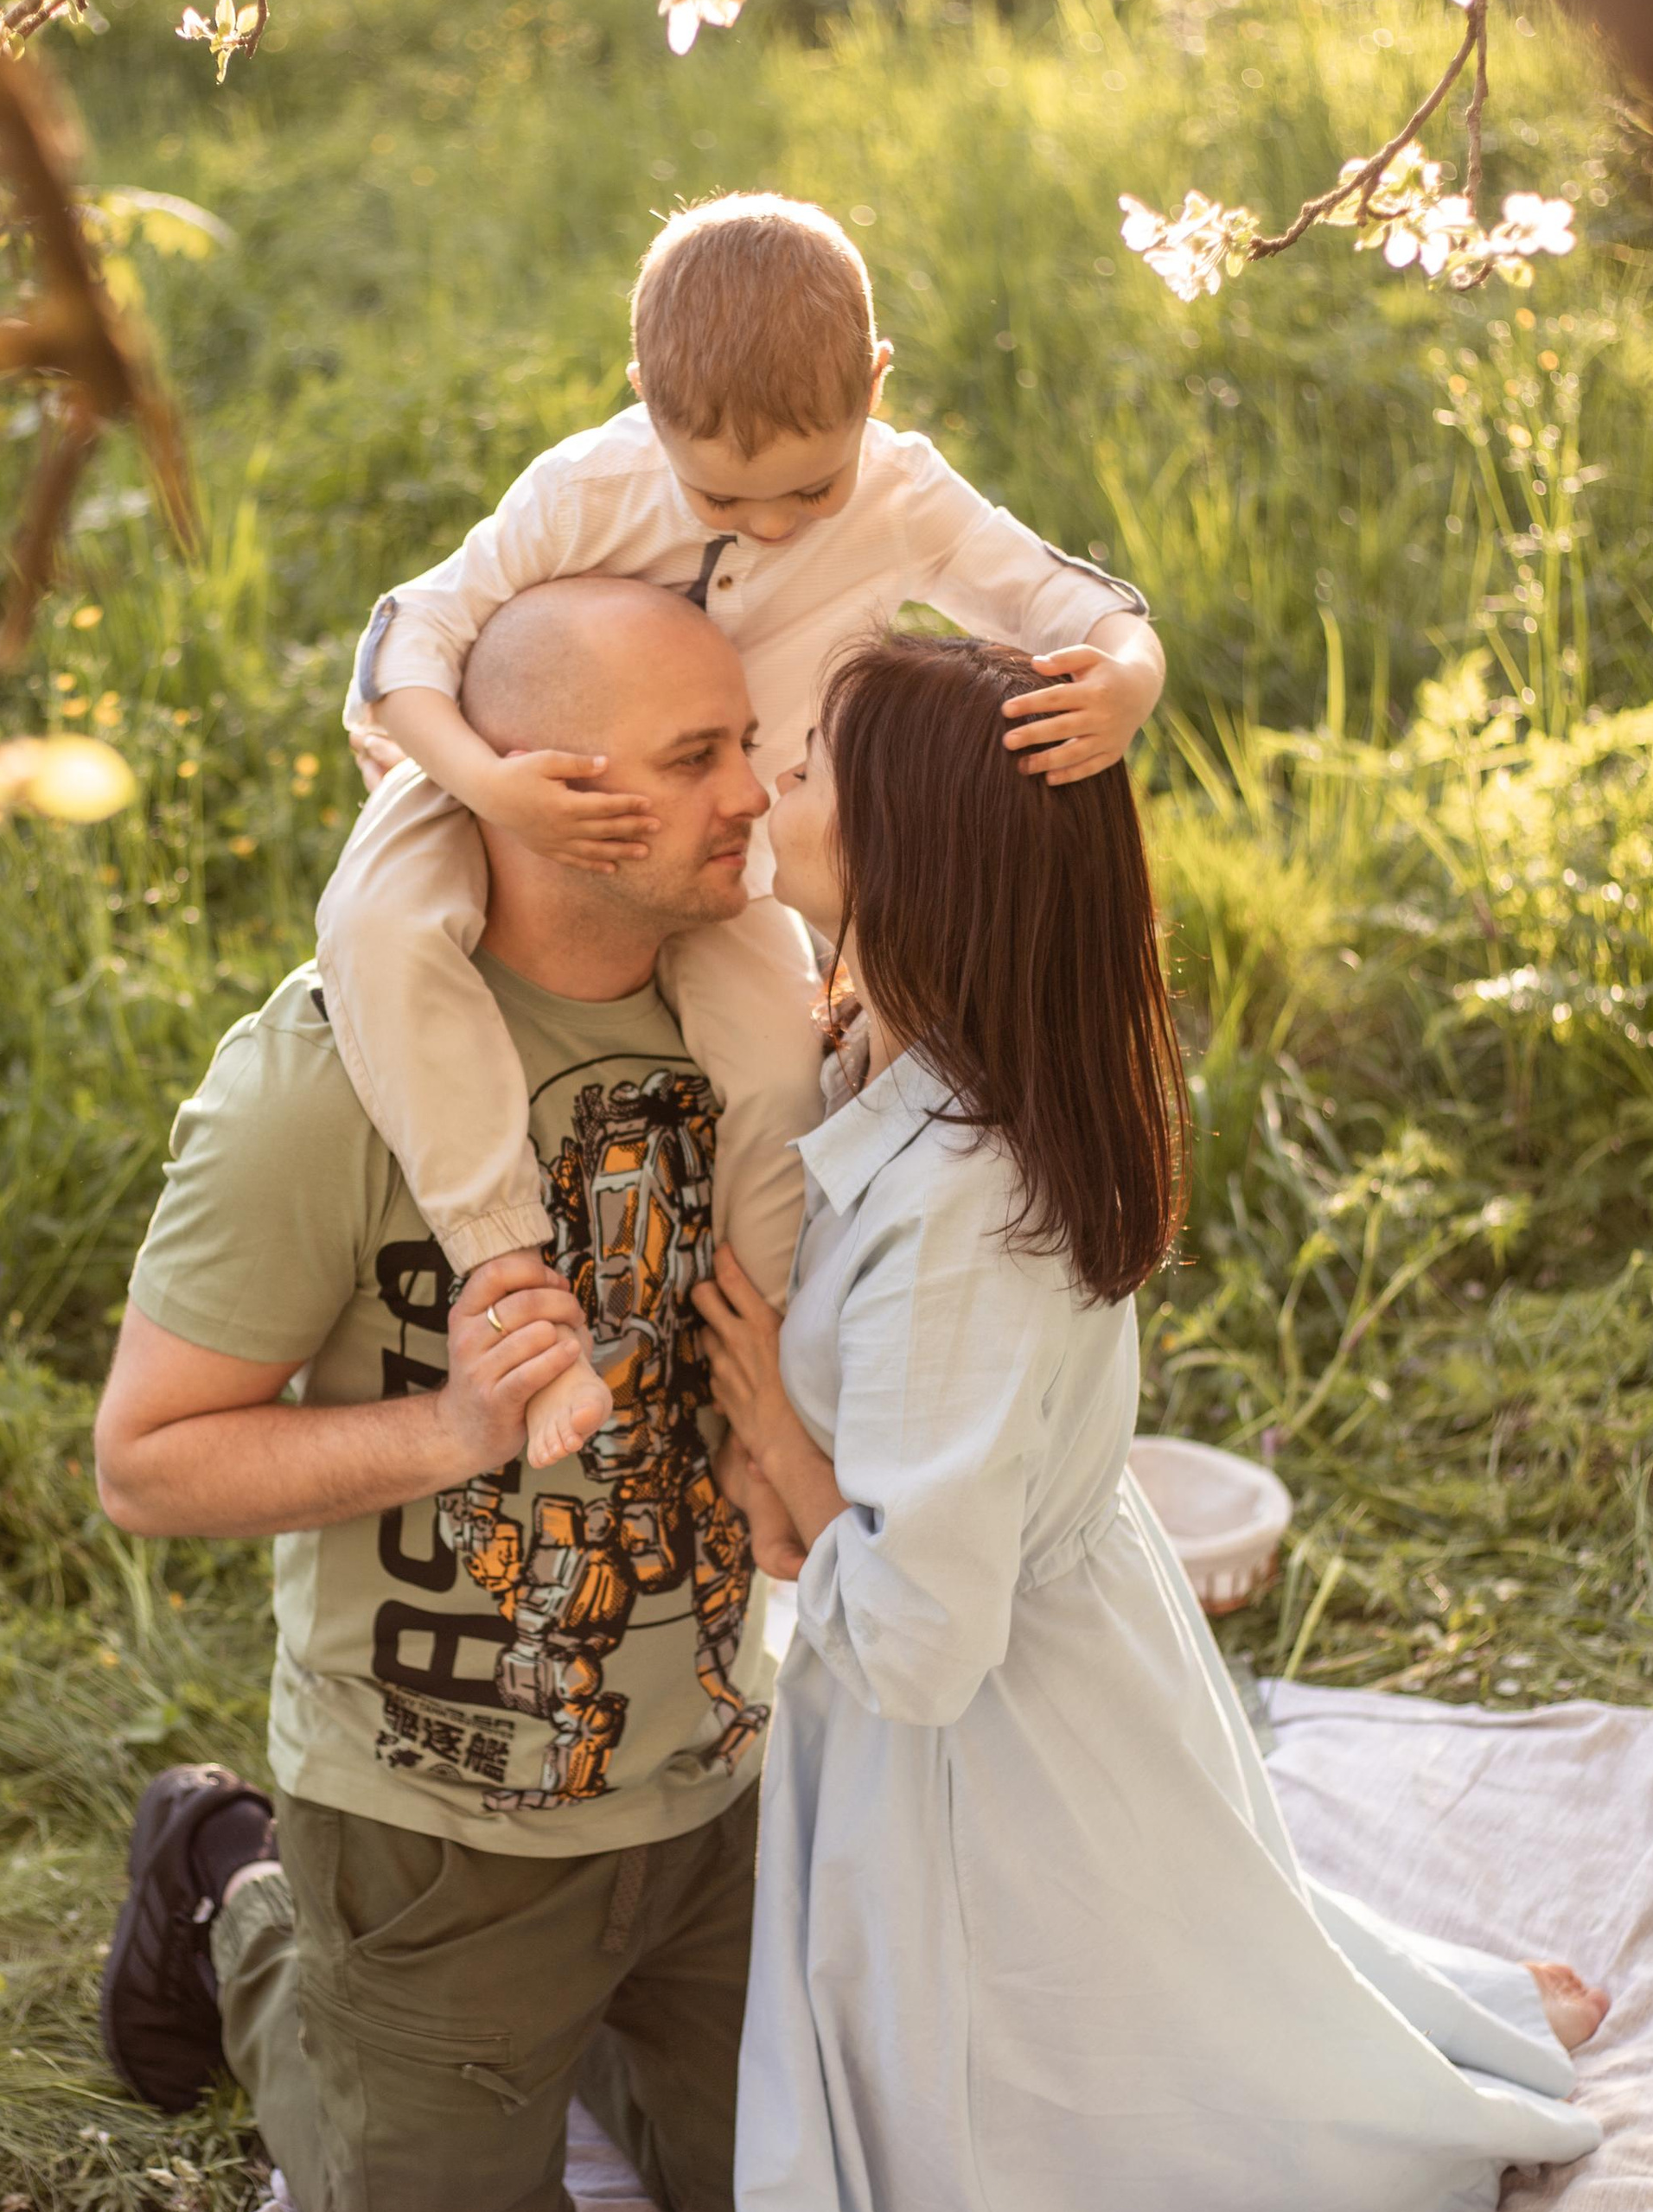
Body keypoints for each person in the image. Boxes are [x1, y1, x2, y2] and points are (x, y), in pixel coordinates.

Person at [689, 630, 1612, 2212]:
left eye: (814, 764)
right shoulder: (901, 1060)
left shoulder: (964, 1213)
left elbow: (916, 1644)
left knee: (1086, 2103)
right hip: (1060, 1664)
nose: (773, 775)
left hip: (984, 1742)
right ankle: (1401, 2037)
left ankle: (1399, 2084)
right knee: (1203, 1964)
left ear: (919, 855)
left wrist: (779, 1446)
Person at [92, 578, 788, 2212]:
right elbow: (145, 1463)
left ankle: (590, 2026)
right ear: (544, 791)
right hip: (439, 1841)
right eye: (697, 758)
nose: (752, 794)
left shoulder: (754, 1023)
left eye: (748, 743)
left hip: (717, 1799)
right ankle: (226, 1895)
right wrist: (456, 1430)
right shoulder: (322, 1086)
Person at [321, 191, 1166, 1475]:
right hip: (510, 780)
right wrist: (489, 786)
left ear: (875, 388)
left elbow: (1075, 602)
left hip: (729, 843)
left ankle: (755, 1416)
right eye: (722, 494)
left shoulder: (905, 493)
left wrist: (1129, 676)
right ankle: (508, 1273)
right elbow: (410, 645)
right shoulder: (590, 486)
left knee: (779, 1074)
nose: (770, 524)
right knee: (379, 930)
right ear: (644, 399)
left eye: (809, 490)